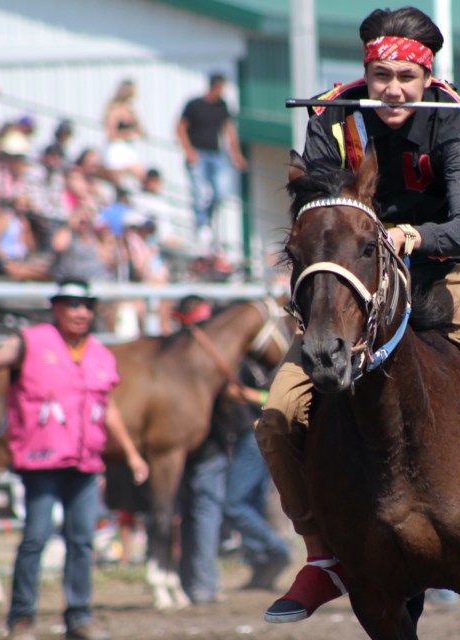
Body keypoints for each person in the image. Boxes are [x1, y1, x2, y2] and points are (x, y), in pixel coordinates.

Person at [254, 6, 460, 624]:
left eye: (406, 78)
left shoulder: (453, 124)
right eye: (381, 75)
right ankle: (321, 556)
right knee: (276, 416)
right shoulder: (331, 114)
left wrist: (413, 233)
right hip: (353, 279)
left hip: (444, 269)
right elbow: (316, 198)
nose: (392, 89)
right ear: (366, 71)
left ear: (428, 77)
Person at [0, 279, 149, 640]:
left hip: (84, 463)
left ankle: (79, 617)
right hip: (40, 463)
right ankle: (21, 619)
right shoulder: (29, 342)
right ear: (56, 308)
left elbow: (107, 406)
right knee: (35, 539)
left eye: (87, 305)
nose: (81, 312)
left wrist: (131, 454)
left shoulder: (100, 353)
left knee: (82, 540)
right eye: (72, 304)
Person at [173, 295, 228, 605]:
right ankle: (201, 584)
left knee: (196, 515)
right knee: (200, 514)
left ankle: (194, 582)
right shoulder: (206, 356)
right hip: (198, 449)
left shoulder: (177, 353)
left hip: (205, 449)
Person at [220, 358, 292, 591]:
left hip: (252, 437)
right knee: (252, 503)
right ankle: (262, 565)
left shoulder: (252, 366)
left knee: (234, 504)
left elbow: (273, 400)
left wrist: (246, 395)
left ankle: (278, 551)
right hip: (249, 437)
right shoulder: (242, 363)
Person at [176, 72, 247, 249]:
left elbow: (229, 130)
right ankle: (201, 226)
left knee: (220, 193)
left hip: (216, 154)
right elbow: (180, 127)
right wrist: (189, 151)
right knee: (201, 194)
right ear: (215, 86)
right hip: (199, 154)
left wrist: (236, 153)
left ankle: (206, 222)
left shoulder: (222, 106)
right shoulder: (194, 105)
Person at [102, 79, 145, 186]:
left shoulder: (130, 110)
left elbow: (141, 130)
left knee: (142, 176)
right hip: (116, 149)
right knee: (118, 183)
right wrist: (128, 134)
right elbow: (111, 135)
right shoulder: (114, 110)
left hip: (128, 148)